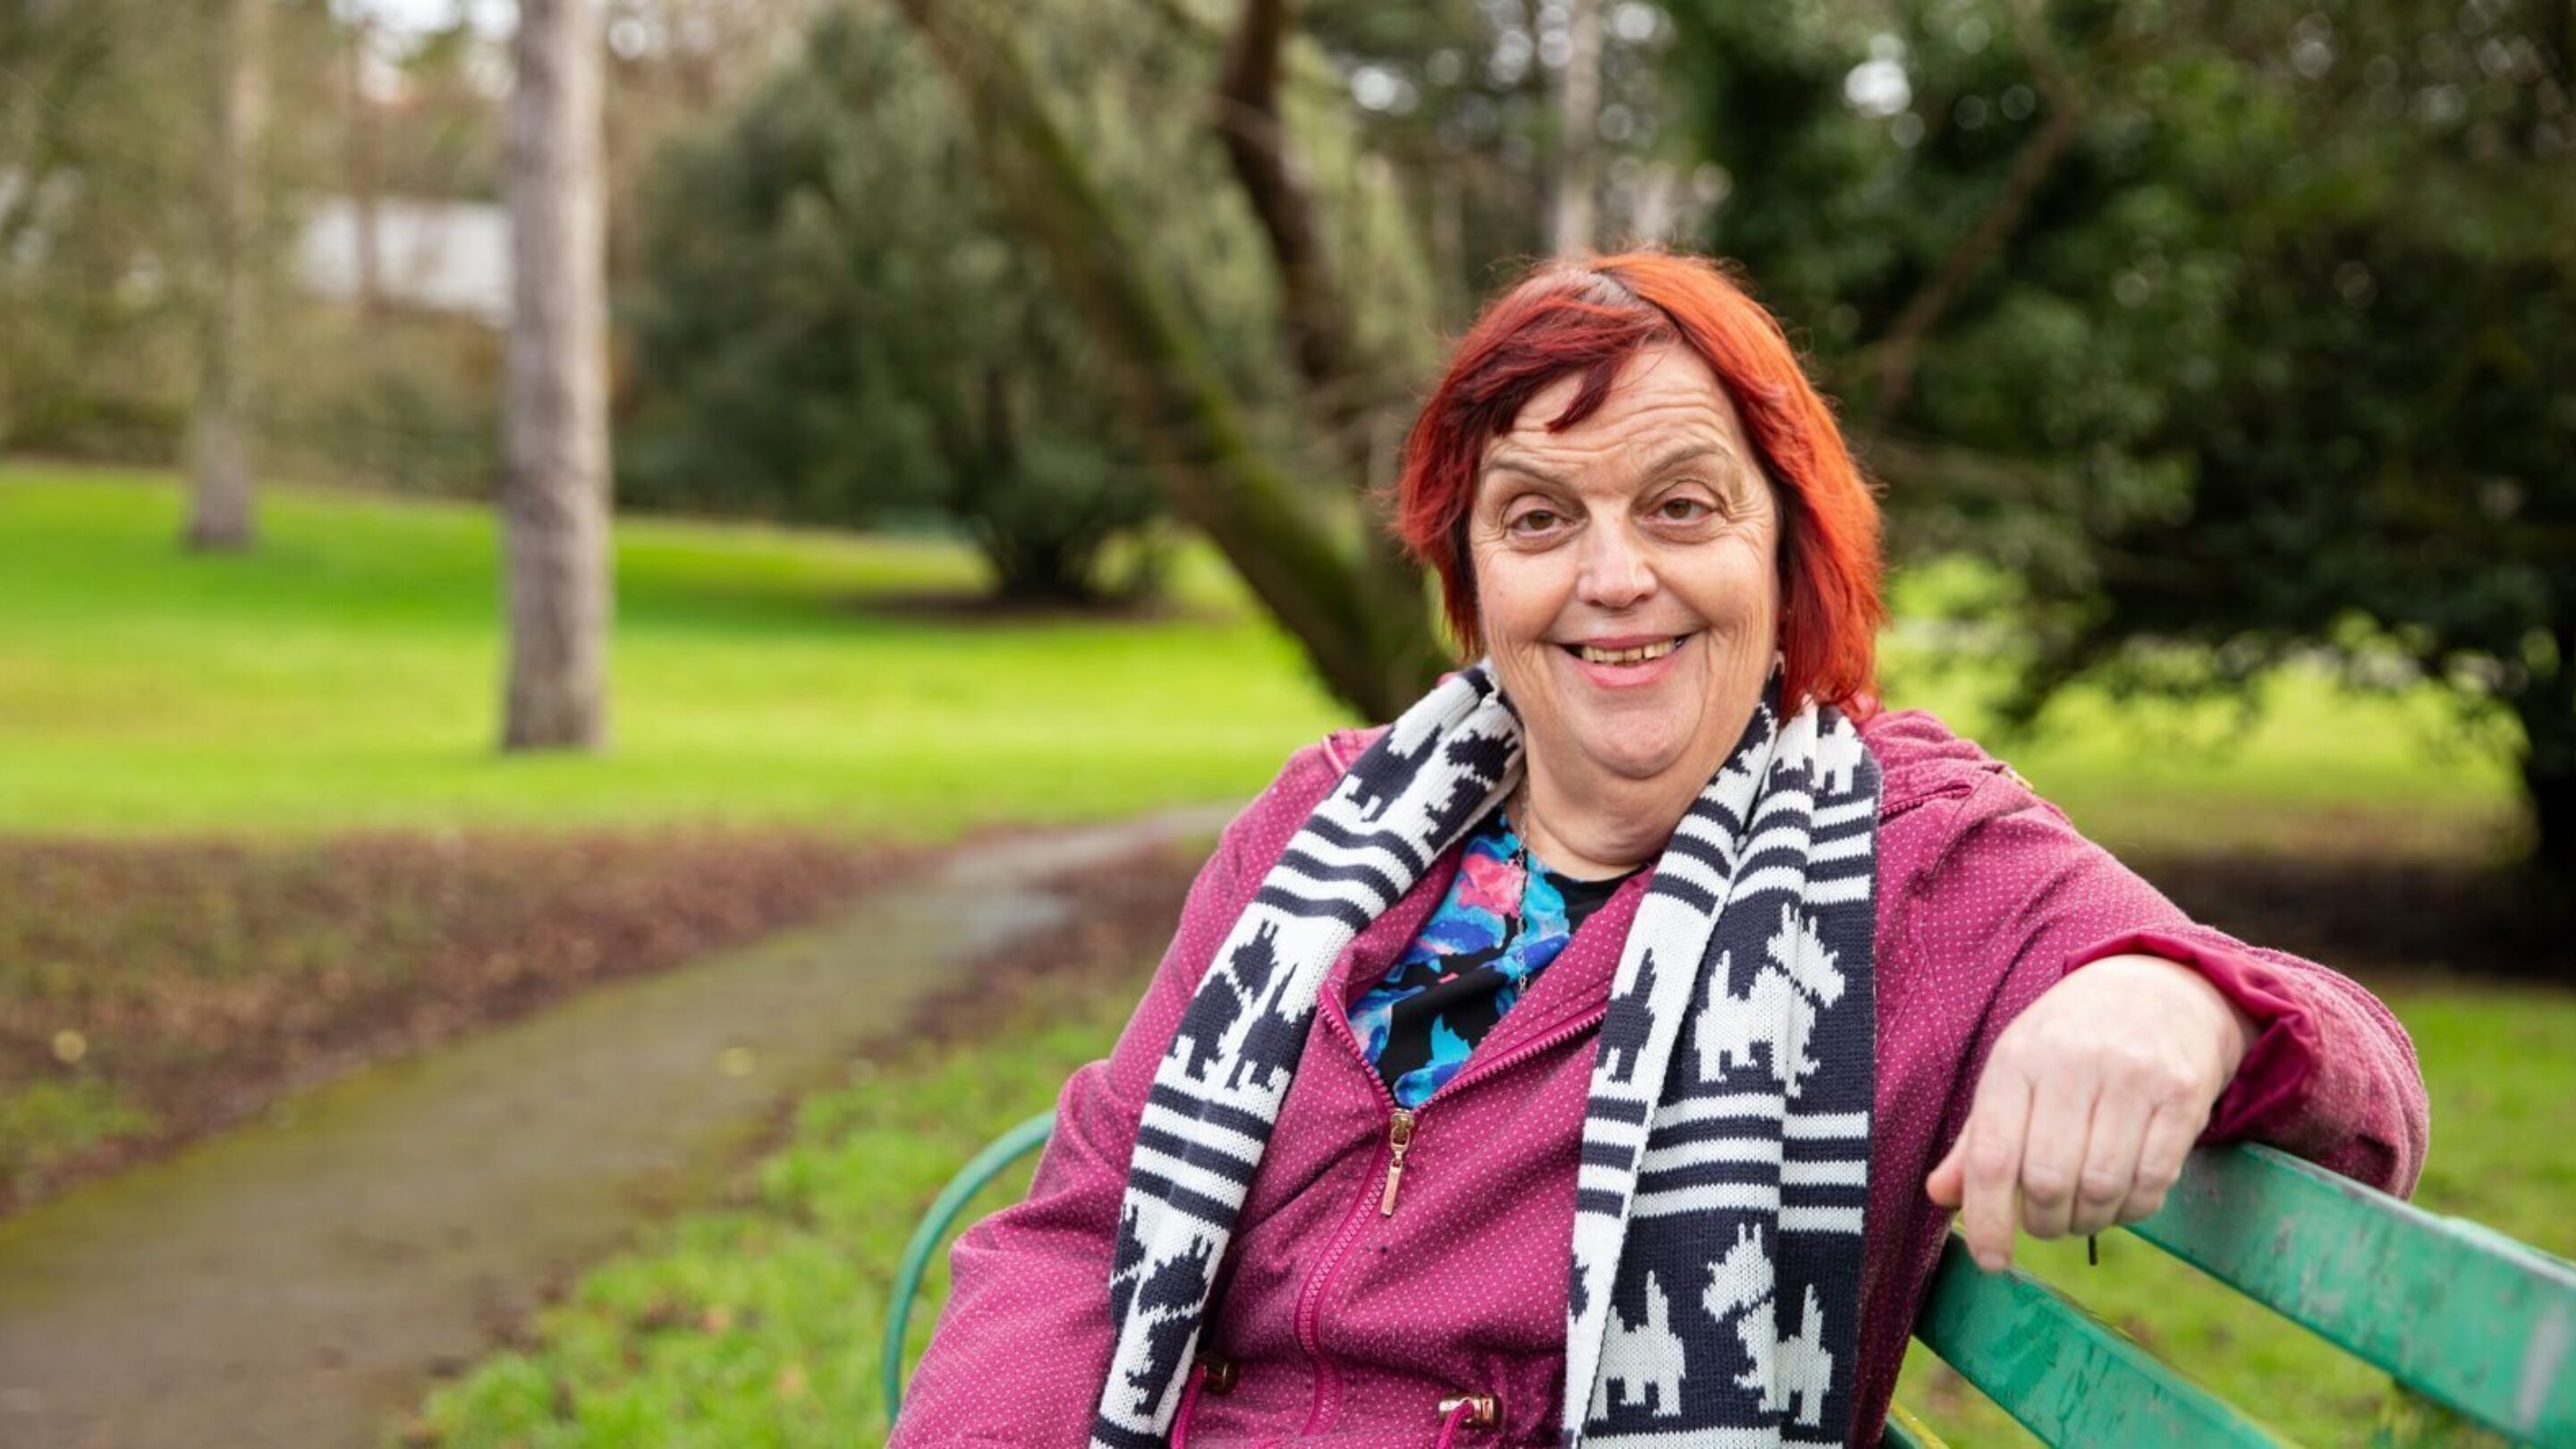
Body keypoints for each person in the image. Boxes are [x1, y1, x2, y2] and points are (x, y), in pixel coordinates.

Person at [889, 251, 2429, 1448]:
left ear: (1788, 544)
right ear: (1473, 572)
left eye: (1682, 507)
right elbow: (1080, 1228)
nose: (1612, 576)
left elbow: (2369, 1100)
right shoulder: (1328, 827)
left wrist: (2177, 1000)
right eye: (1538, 518)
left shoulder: (1909, 862)